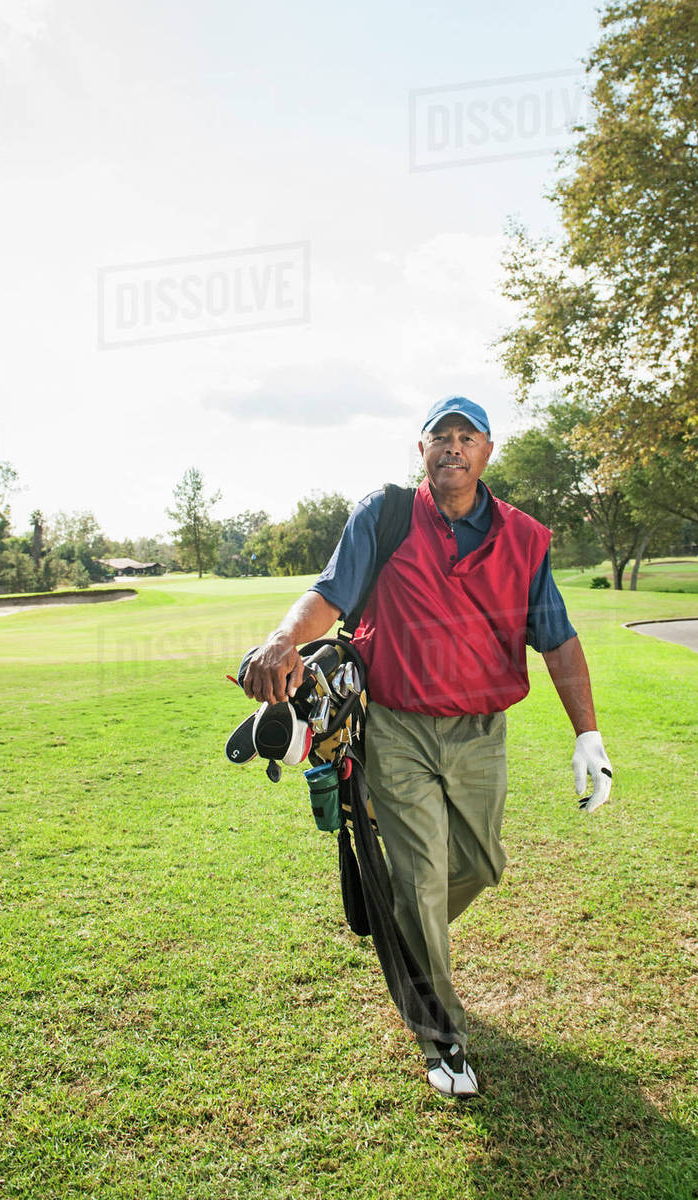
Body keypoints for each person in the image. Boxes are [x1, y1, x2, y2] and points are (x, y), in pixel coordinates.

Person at [242, 395, 612, 1098]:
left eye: (465, 436)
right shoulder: (382, 515)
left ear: (487, 452)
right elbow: (330, 594)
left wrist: (587, 732)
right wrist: (284, 639)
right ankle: (441, 1037)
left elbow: (557, 637)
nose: (451, 446)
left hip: (480, 733)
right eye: (438, 436)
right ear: (421, 452)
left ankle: (402, 930)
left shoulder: (525, 538)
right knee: (417, 878)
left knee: (480, 862)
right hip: (397, 729)